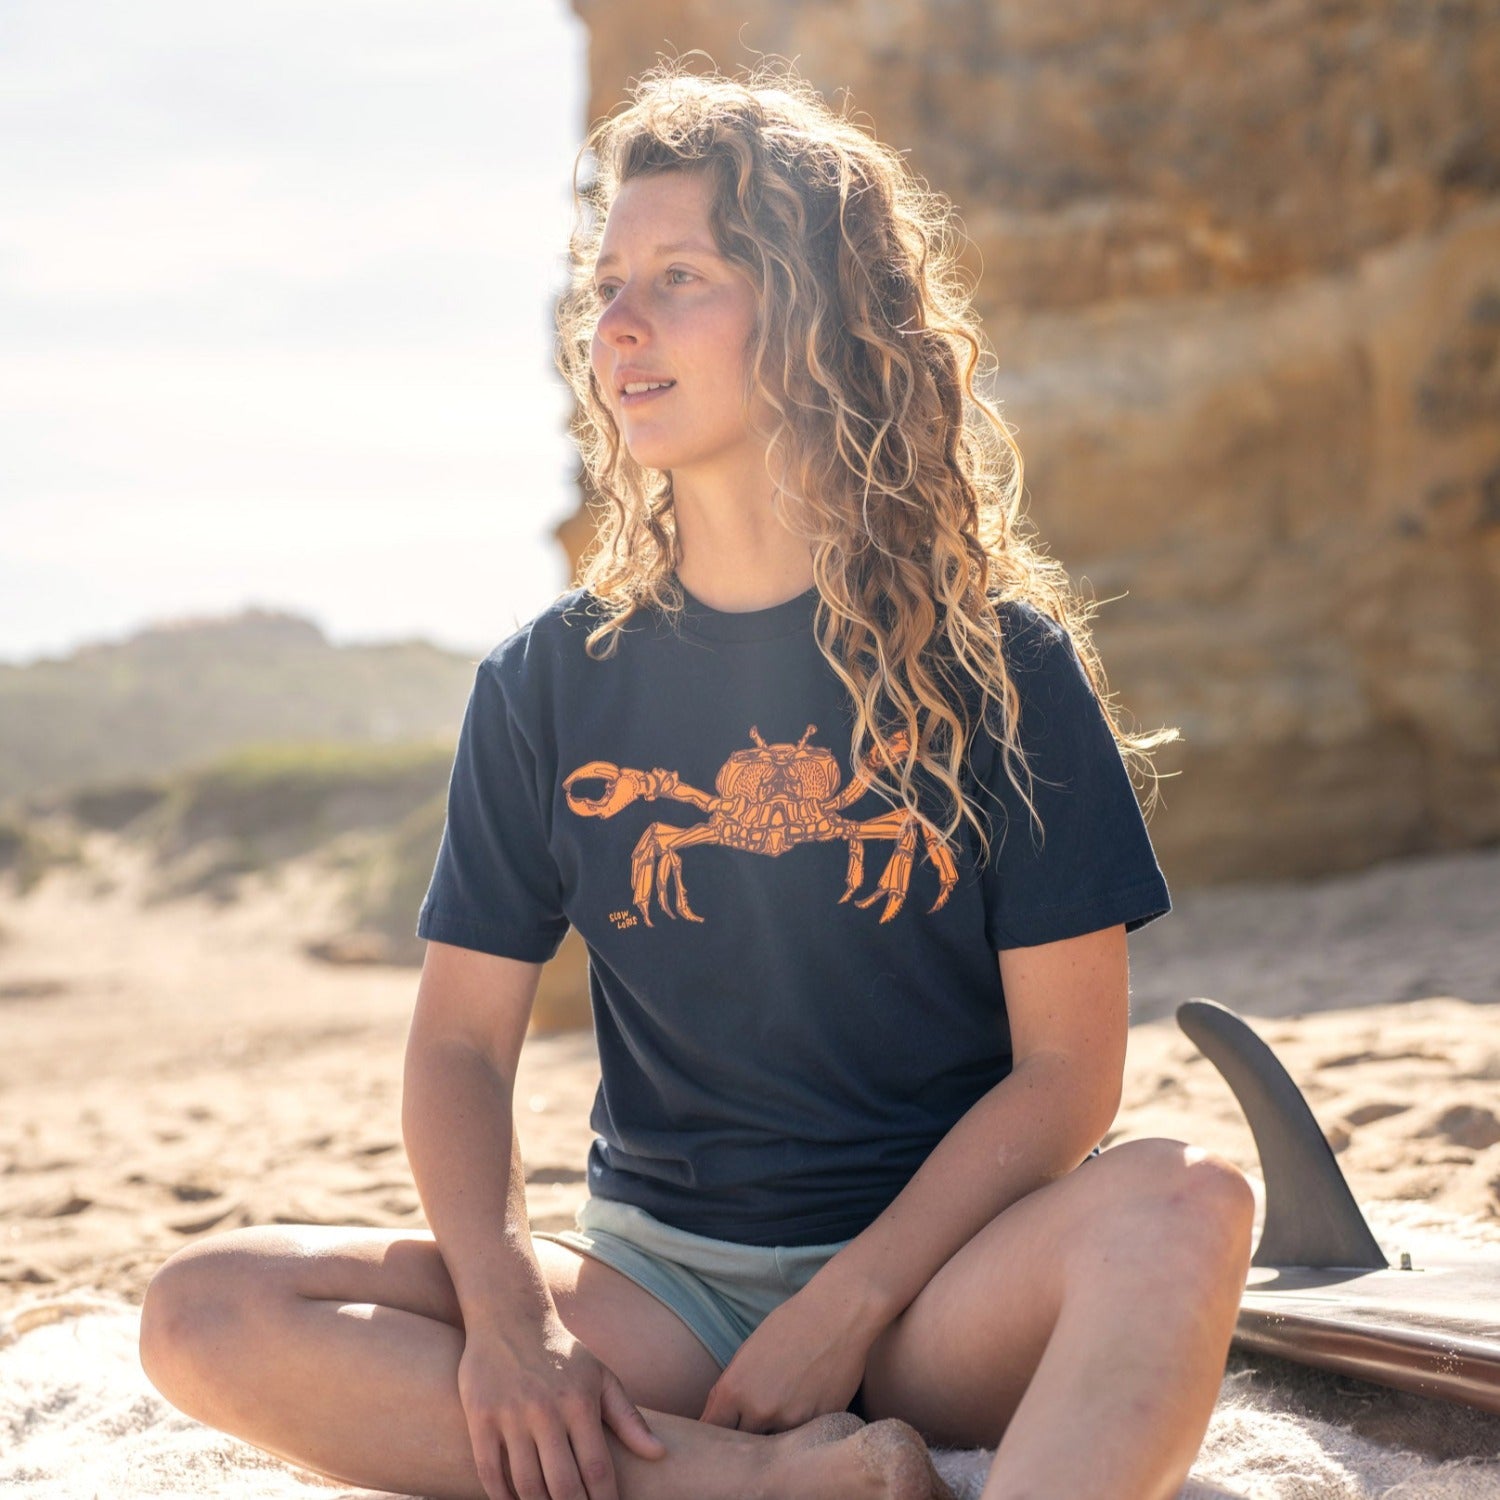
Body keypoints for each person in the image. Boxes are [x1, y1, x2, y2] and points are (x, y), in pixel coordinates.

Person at [138, 60, 1254, 1500]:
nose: (618, 324)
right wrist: (511, 1317)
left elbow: (1065, 1078)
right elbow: (462, 1051)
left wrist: (848, 1303)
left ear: (811, 315)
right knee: (205, 1308)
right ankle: (743, 1483)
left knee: (1190, 1203)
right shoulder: (551, 681)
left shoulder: (1000, 668)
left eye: (681, 276)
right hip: (659, 1294)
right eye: (606, 284)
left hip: (939, 1287)